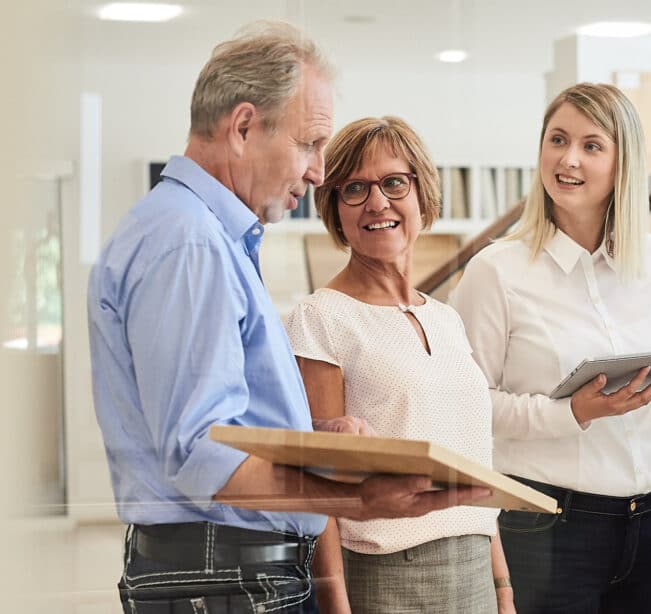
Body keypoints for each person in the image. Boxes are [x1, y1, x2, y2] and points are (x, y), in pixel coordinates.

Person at [87, 23, 488, 614]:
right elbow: (202, 453)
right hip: (224, 575)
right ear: (244, 127)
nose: (319, 172)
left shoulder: (205, 238)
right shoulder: (190, 244)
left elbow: (218, 425)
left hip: (231, 571)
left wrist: (316, 441)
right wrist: (355, 499)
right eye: (309, 144)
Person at [449, 82, 651, 613]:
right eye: (557, 140)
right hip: (546, 527)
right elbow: (466, 407)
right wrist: (571, 413)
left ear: (622, 164)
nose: (568, 160)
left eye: (592, 146)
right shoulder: (496, 272)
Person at [284, 116, 514, 614]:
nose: (377, 203)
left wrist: (503, 587)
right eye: (355, 189)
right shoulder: (321, 317)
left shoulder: (447, 319)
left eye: (393, 183)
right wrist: (334, 600)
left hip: (475, 566)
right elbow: (319, 486)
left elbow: (473, 462)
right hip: (387, 575)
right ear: (334, 208)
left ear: (421, 192)